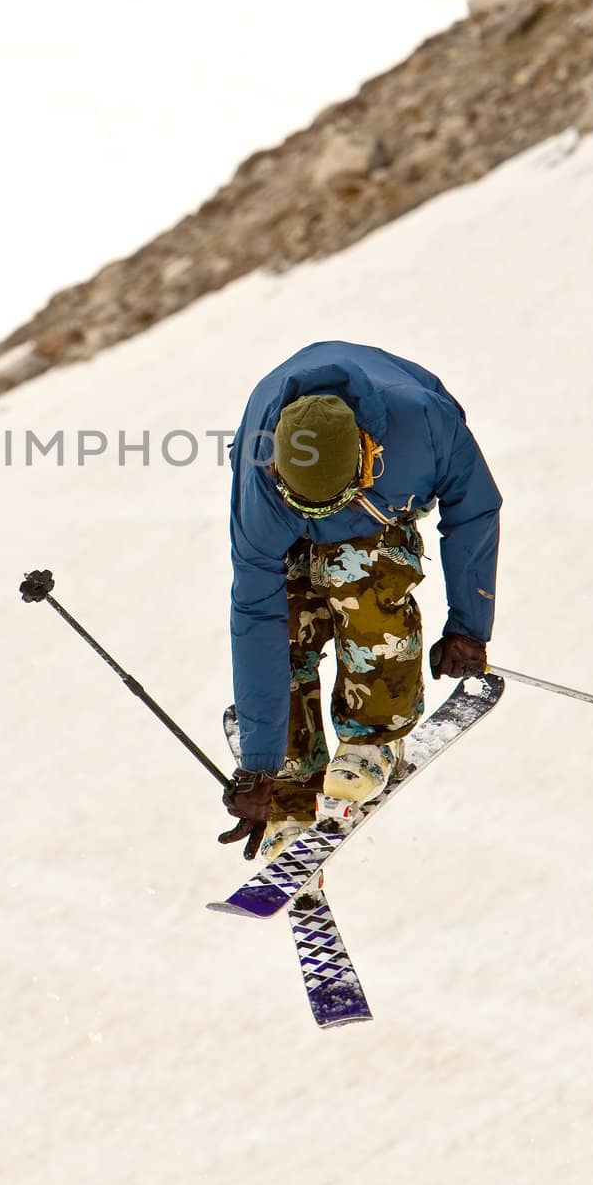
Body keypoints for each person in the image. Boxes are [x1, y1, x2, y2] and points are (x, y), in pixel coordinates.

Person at [220, 340, 501, 862]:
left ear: (369, 454)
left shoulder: (426, 425)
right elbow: (255, 614)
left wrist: (468, 625)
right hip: (289, 523)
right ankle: (293, 777)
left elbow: (474, 512)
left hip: (380, 508)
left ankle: (374, 736)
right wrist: (261, 765)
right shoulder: (258, 480)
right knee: (286, 610)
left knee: (357, 570)